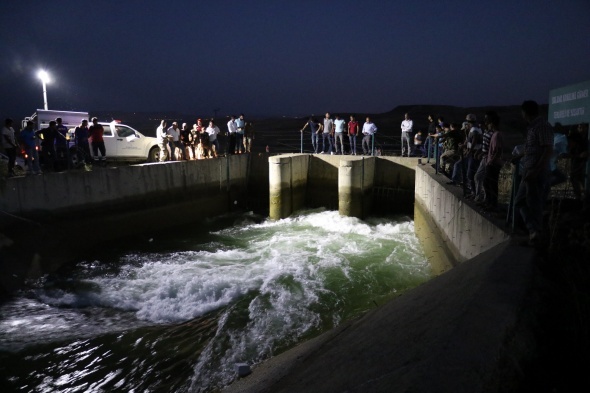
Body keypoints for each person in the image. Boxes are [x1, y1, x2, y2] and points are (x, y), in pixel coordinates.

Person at [514, 100, 554, 246]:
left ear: (525, 112)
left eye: (522, 112)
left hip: (536, 172)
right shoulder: (532, 127)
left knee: (533, 203)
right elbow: (532, 149)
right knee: (521, 201)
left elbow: (548, 150)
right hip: (529, 170)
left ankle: (536, 233)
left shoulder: (542, 126)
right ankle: (533, 231)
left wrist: (535, 170)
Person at [482, 111, 504, 211]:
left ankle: (492, 204)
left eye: (489, 123)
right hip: (491, 162)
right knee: (488, 183)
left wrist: (491, 161)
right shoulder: (495, 134)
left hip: (493, 164)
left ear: (492, 123)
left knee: (490, 184)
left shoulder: (497, 135)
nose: (487, 125)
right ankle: (489, 203)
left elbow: (498, 150)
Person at [568, 123, 588, 202]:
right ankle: (579, 197)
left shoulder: (584, 140)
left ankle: (581, 198)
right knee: (575, 178)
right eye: (579, 127)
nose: (581, 129)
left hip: (581, 164)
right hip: (576, 163)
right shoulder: (576, 139)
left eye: (582, 127)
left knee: (578, 178)